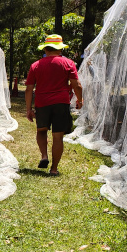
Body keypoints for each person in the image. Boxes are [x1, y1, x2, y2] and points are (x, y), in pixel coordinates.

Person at [24, 34, 83, 176]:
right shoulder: (68, 63)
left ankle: (44, 156)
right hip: (61, 103)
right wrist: (79, 100)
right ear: (60, 49)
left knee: (41, 130)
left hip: (42, 103)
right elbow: (77, 85)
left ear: (46, 49)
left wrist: (28, 109)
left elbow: (28, 89)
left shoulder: (36, 65)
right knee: (58, 136)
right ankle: (54, 169)